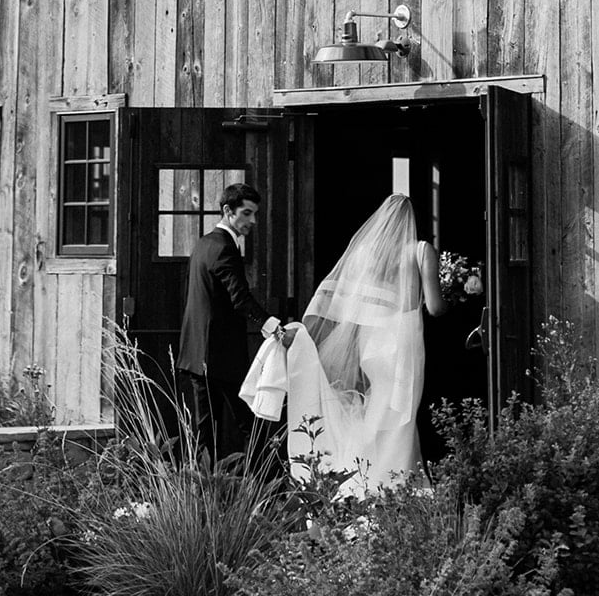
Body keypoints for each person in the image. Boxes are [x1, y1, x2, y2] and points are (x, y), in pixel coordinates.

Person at [279, 193, 445, 495]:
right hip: (403, 342)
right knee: (401, 415)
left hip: (372, 342)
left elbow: (351, 309)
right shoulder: (421, 250)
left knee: (377, 408)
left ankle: (365, 477)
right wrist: (451, 298)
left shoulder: (366, 252)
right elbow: (434, 307)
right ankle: (397, 482)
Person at [177, 180, 290, 460]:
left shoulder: (204, 244)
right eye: (247, 213)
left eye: (255, 214)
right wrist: (273, 327)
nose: (252, 221)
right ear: (228, 211)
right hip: (219, 357)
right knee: (250, 423)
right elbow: (239, 298)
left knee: (205, 433)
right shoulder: (225, 248)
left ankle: (203, 494)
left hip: (197, 355)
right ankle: (263, 491)